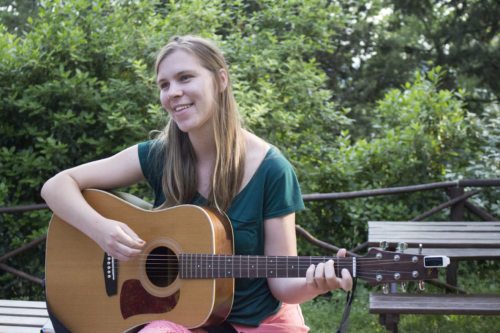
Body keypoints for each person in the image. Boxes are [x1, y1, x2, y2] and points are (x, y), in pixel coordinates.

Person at [41, 35, 352, 333]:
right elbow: (56, 186)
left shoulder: (272, 170)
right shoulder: (158, 155)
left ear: (221, 80)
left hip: (257, 323)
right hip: (182, 319)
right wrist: (101, 230)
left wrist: (317, 282)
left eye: (185, 78)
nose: (172, 92)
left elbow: (282, 283)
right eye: (164, 85)